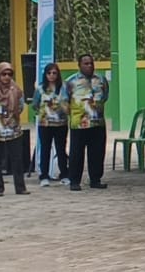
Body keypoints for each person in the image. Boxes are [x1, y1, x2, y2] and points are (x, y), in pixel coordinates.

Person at [0, 62, 29, 197]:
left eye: (9, 74)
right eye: (3, 74)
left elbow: (21, 106)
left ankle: (20, 187)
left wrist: (11, 118)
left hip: (13, 129)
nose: (7, 77)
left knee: (17, 159)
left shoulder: (16, 89)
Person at [64, 54, 109, 191]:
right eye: (86, 63)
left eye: (91, 63)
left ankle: (95, 179)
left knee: (97, 152)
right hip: (79, 124)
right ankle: (74, 181)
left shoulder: (101, 79)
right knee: (76, 153)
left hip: (97, 123)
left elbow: (105, 96)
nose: (89, 66)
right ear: (79, 65)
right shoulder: (70, 81)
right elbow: (65, 101)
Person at [33, 62, 69, 187]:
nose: (52, 75)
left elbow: (68, 102)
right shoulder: (40, 88)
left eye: (54, 73)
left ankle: (64, 174)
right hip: (45, 124)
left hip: (61, 124)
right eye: (49, 73)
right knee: (45, 149)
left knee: (61, 149)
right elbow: (35, 104)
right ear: (45, 74)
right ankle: (44, 175)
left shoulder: (64, 88)